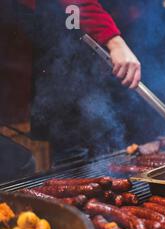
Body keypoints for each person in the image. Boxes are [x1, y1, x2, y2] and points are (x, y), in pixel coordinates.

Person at [15, 0, 142, 161]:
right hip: (51, 64)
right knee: (70, 144)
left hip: (78, 68)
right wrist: (115, 42)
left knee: (93, 137)